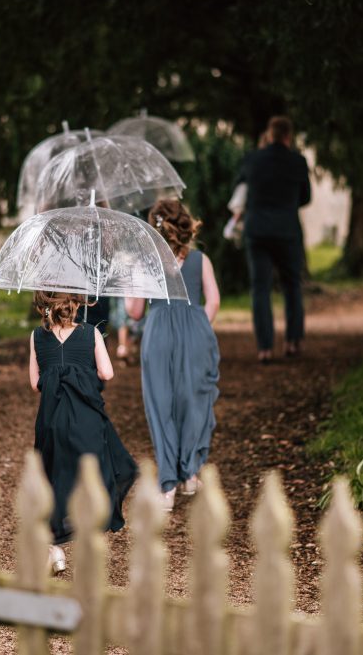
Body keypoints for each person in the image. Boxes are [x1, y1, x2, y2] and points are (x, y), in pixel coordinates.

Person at [29, 291, 137, 572]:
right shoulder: (91, 333)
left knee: (55, 478)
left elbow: (34, 382)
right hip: (86, 419)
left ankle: (54, 548)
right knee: (97, 475)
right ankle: (91, 537)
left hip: (52, 421)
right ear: (77, 304)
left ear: (45, 306)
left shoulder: (36, 337)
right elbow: (107, 373)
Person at [127, 199, 220, 512]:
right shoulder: (200, 260)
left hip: (159, 334)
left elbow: (135, 311)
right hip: (194, 330)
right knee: (193, 400)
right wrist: (199, 326)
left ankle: (168, 485)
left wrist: (129, 286)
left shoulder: (144, 263)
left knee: (161, 404)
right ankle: (190, 473)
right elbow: (215, 301)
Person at [235, 116, 311, 362]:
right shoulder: (298, 162)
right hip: (287, 231)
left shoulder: (252, 160)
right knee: (292, 286)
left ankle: (265, 348)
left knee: (260, 288)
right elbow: (306, 198)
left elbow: (239, 192)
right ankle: (292, 342)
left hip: (257, 231)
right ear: (288, 137)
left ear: (269, 134)